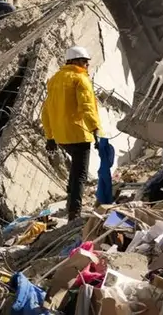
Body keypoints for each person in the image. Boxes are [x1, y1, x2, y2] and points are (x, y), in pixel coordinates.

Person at [41, 46, 102, 221]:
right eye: (84, 62)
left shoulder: (54, 79)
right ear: (74, 61)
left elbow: (46, 110)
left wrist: (50, 136)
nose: (86, 66)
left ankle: (70, 204)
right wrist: (95, 130)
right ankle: (74, 213)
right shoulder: (80, 80)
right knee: (80, 174)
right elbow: (87, 109)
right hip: (79, 134)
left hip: (61, 136)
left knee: (75, 172)